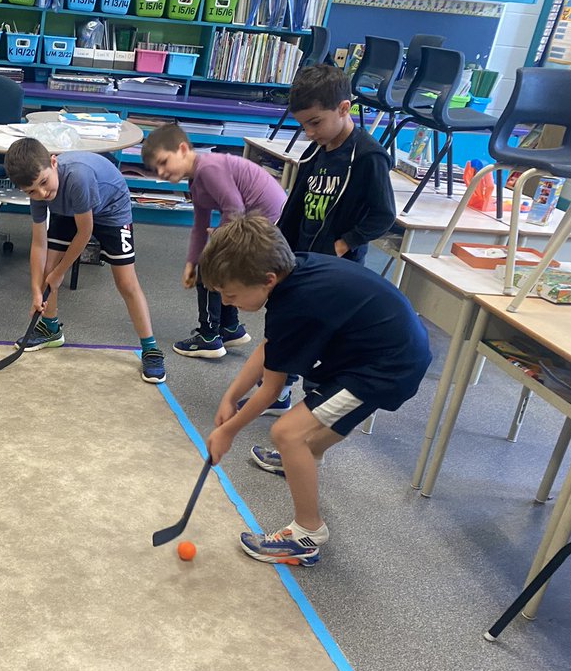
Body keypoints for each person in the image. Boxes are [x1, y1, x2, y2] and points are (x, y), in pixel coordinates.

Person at [198, 215, 431, 567]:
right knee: (307, 433)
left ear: (267, 280)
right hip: (381, 348)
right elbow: (270, 349)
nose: (228, 303)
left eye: (230, 295)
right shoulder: (295, 272)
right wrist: (230, 398)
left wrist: (227, 431)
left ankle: (306, 534)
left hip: (385, 364)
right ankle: (303, 458)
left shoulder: (295, 304)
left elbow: (272, 390)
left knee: (286, 432)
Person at [260, 63, 398, 415]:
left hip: (337, 270)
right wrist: (277, 246)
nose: (308, 132)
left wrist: (343, 244)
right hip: (301, 259)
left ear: (343, 109)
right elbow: (295, 206)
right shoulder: (316, 151)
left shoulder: (367, 156)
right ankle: (278, 392)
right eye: (303, 124)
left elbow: (383, 215)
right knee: (292, 328)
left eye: (315, 122)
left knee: (324, 344)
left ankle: (310, 420)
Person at [3, 137, 166, 384]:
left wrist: (59, 273)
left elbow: (85, 232)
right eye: (32, 191)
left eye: (44, 183)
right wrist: (37, 291)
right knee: (48, 269)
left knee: (126, 283)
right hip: (70, 209)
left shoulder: (78, 177)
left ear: (54, 163)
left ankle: (151, 348)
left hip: (112, 209)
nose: (42, 193)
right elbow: (39, 244)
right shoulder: (41, 195)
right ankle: (50, 328)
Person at [141, 123, 286, 360]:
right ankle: (229, 328)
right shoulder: (195, 180)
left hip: (271, 222)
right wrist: (191, 262)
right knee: (210, 265)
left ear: (183, 149)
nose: (161, 173)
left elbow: (235, 209)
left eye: (164, 162)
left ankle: (208, 337)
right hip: (258, 221)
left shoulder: (208, 168)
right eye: (155, 169)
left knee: (210, 271)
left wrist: (213, 245)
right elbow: (199, 225)